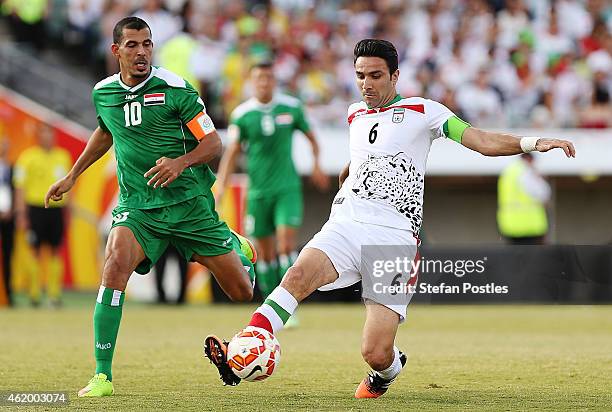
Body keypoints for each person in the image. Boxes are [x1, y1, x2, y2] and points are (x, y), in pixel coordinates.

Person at [204, 39, 575, 398]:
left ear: (395, 76)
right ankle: (243, 348)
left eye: (376, 75)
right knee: (297, 276)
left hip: (393, 237)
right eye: (361, 75)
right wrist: (351, 171)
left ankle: (388, 370)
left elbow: (478, 139)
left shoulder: (423, 111)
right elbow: (370, 152)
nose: (367, 84)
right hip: (346, 223)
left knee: (375, 352)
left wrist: (531, 143)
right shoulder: (354, 112)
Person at [44, 17, 258, 398]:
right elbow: (106, 131)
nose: (141, 51)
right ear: (116, 51)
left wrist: (180, 162)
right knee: (113, 268)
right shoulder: (104, 93)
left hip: (190, 205)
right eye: (132, 45)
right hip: (138, 206)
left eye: (147, 44)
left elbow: (213, 145)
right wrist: (73, 176)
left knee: (241, 293)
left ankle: (231, 241)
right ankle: (102, 375)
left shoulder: (176, 88)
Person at [215, 61, 329, 325]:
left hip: (286, 188)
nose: (264, 83)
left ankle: (290, 307)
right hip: (258, 193)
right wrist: (222, 184)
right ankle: (272, 306)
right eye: (259, 79)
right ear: (252, 82)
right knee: (263, 254)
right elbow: (232, 153)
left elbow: (312, 138)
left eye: (268, 78)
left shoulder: (290, 107)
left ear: (274, 81)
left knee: (286, 245)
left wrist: (316, 165)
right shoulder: (243, 114)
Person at [14, 124, 72, 307]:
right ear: (38, 136)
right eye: (44, 134)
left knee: (56, 250)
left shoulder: (63, 156)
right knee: (35, 250)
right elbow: (20, 187)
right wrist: (22, 214)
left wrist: (68, 210)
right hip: (35, 208)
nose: (47, 138)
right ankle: (35, 293)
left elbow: (70, 184)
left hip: (56, 210)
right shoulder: (27, 158)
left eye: (50, 134)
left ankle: (54, 294)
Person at [497, 153, 551, 245]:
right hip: (530, 226)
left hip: (509, 225)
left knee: (516, 256)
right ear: (529, 158)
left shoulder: (508, 171)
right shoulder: (526, 172)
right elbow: (542, 193)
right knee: (530, 257)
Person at [0, 139, 15, 306]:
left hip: (8, 215)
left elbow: (16, 189)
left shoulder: (12, 168)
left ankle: (8, 295)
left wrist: (13, 211)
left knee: (8, 255)